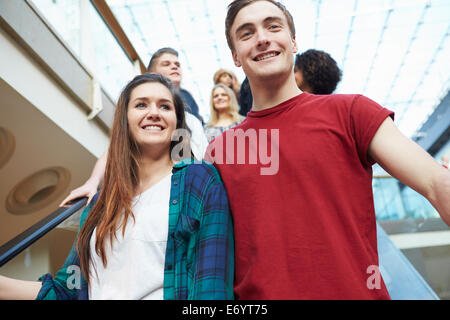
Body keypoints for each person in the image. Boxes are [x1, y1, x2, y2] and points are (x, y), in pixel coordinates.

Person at [204, 0, 450, 300]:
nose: (262, 38)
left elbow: (436, 183)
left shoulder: (351, 112)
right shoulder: (219, 152)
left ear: (293, 41)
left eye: (273, 26)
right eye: (246, 33)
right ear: (235, 57)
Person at [0, 73, 234, 300]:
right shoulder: (101, 204)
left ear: (177, 123)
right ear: (125, 120)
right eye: (141, 105)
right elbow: (68, 289)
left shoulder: (198, 179)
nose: (154, 113)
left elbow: (211, 287)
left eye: (165, 106)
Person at [60, 48, 209, 206]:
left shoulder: (191, 121)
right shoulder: (139, 119)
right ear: (151, 72)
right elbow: (115, 149)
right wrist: (93, 182)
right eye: (166, 64)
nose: (175, 67)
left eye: (177, 64)